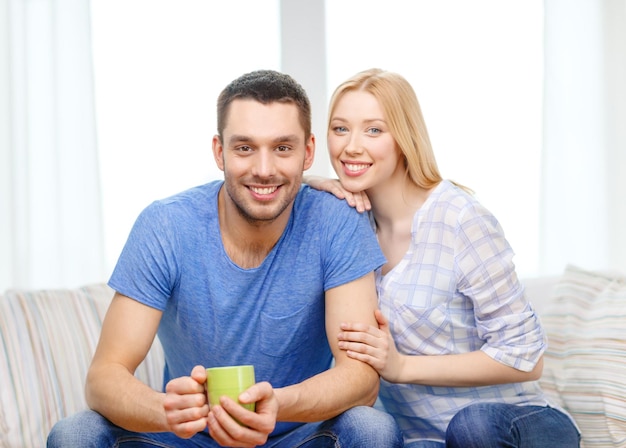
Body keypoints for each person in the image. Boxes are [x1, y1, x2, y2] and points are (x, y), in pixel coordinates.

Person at [47, 69, 403, 448]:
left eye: (283, 148)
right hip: (186, 439)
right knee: (75, 433)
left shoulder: (337, 222)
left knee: (372, 429)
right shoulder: (166, 225)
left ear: (308, 152)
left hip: (296, 436)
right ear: (219, 151)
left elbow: (361, 378)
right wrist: (165, 410)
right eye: (244, 148)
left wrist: (279, 404)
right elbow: (103, 376)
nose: (264, 169)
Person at [306, 68, 581, 447]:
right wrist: (312, 182)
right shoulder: (350, 224)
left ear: (403, 138)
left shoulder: (459, 218)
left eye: (373, 130)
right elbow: (265, 177)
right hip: (426, 438)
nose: (351, 146)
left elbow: (526, 358)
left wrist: (402, 367)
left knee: (472, 426)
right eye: (340, 129)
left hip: (517, 424)